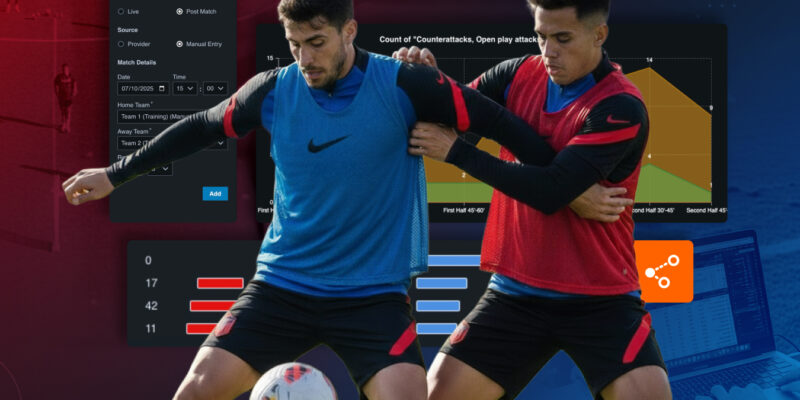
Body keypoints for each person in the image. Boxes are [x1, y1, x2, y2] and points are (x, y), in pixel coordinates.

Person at [61, 1, 619, 399]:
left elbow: (506, 127)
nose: (305, 58)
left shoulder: (406, 85)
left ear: (349, 30)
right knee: (196, 391)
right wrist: (116, 174)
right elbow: (203, 127)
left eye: (317, 42)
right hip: (281, 287)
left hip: (373, 298)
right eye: (294, 44)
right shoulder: (273, 90)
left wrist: (567, 188)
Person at [395, 0, 671, 399]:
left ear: (599, 34)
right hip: (515, 293)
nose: (548, 51)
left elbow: (550, 191)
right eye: (541, 37)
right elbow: (450, 120)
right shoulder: (516, 73)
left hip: (602, 299)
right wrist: (428, 84)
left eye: (563, 38)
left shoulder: (620, 108)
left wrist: (456, 152)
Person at [53, 63, 76, 133]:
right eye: (63, 69)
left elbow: (75, 87)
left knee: (68, 112)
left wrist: (73, 94)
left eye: (65, 69)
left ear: (68, 69)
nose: (64, 71)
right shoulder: (59, 77)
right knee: (63, 112)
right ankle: (63, 125)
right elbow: (56, 85)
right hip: (62, 98)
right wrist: (57, 94)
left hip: (69, 98)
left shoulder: (72, 78)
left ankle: (67, 126)